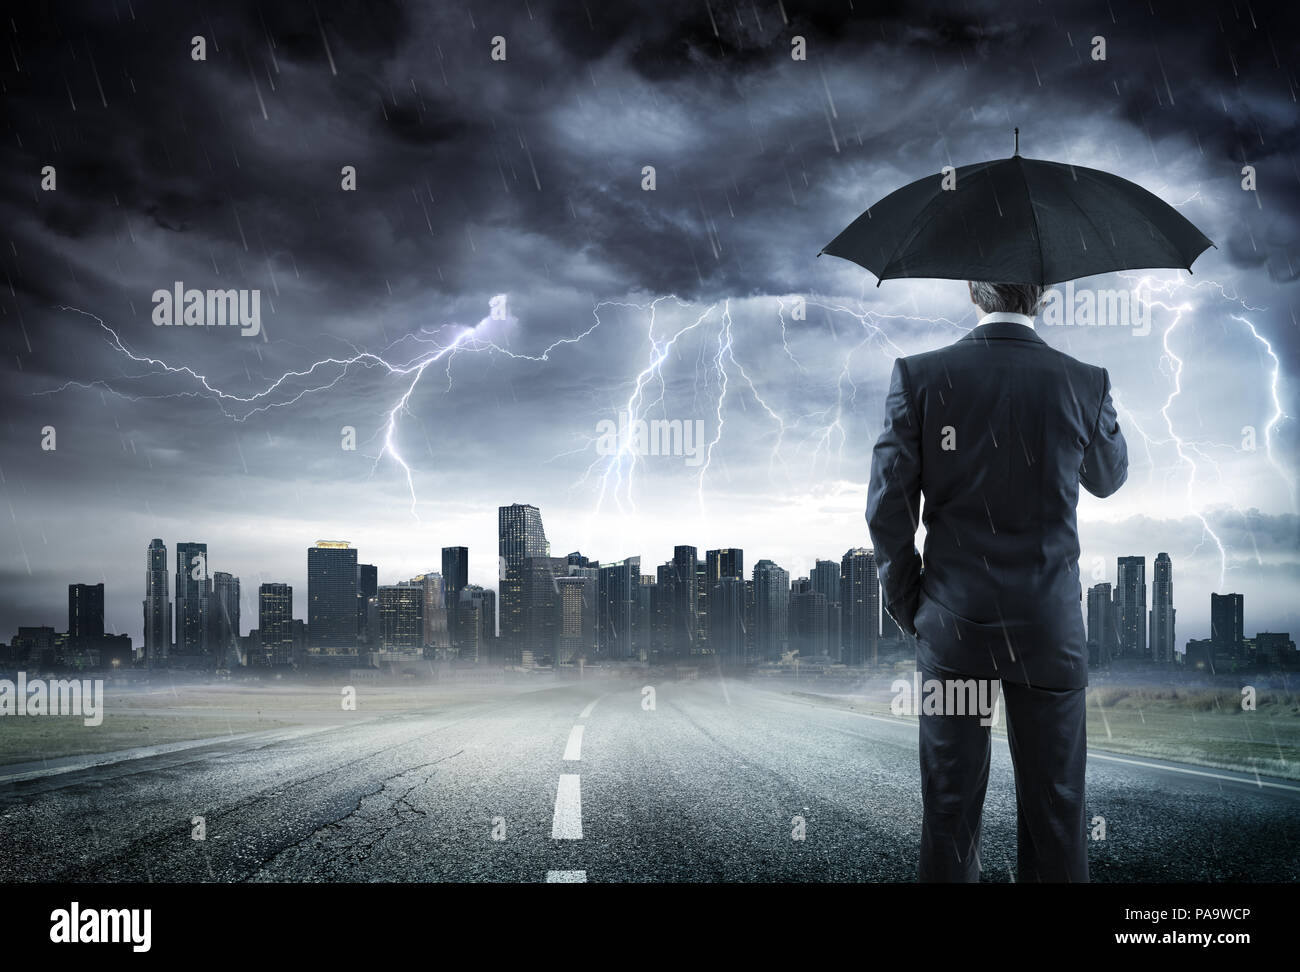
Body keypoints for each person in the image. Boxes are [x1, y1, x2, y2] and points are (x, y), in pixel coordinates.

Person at [866, 280, 1128, 882]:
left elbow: (887, 507)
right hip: (1049, 630)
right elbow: (1108, 477)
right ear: (1044, 292)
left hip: (954, 628)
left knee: (950, 812)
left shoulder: (920, 376)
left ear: (971, 290)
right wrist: (1091, 407)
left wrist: (914, 607)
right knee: (1057, 815)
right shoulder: (1084, 381)